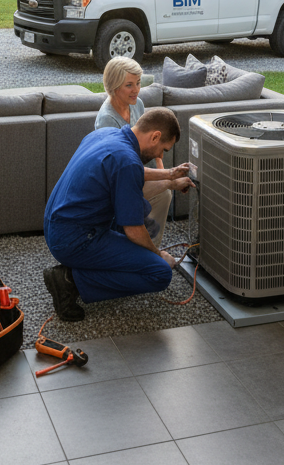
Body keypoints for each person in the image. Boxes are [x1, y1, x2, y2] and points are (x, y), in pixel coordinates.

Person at [43, 107, 194, 321]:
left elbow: (127, 168)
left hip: (55, 226)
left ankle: (83, 269)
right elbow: (133, 231)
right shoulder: (128, 161)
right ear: (155, 136)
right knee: (160, 272)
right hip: (74, 240)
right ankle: (70, 280)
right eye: (163, 149)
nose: (160, 155)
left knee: (141, 222)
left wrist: (169, 175)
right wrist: (158, 254)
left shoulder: (105, 135)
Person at [94, 56, 190, 247]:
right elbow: (120, 166)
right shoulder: (107, 120)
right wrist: (169, 178)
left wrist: (165, 176)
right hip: (118, 180)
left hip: (134, 172)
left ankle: (150, 245)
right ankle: (146, 248)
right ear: (114, 86)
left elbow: (155, 148)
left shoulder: (137, 104)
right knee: (165, 190)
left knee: (165, 193)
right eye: (129, 85)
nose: (136, 89)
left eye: (138, 83)